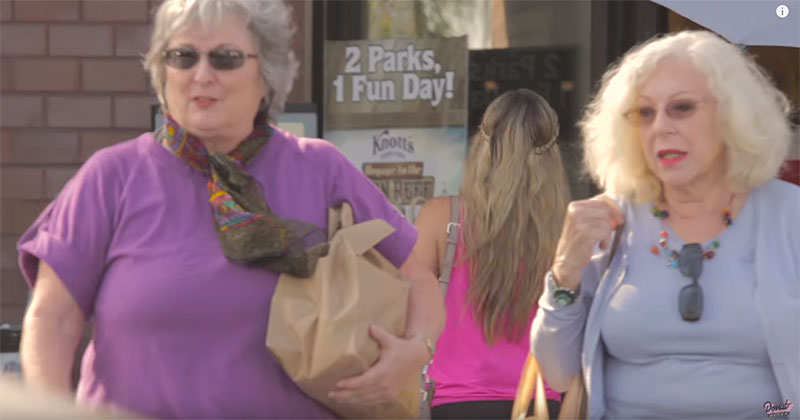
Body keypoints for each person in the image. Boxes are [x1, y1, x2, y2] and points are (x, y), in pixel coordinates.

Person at [16, 0, 444, 418]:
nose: (201, 75)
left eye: (225, 58)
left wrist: (415, 349)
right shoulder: (112, 176)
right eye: (183, 57)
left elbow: (419, 278)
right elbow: (52, 317)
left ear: (267, 72)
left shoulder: (320, 168)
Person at [531, 30, 799, 420]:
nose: (660, 127)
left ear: (733, 115)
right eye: (644, 113)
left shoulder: (789, 216)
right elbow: (557, 372)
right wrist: (565, 271)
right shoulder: (608, 220)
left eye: (681, 108)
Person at [414, 89, 570, 419]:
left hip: (455, 404)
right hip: (541, 403)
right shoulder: (569, 229)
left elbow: (406, 306)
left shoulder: (442, 218)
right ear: (551, 155)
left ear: (482, 146)